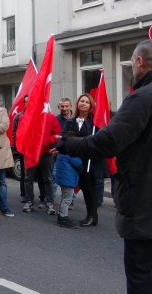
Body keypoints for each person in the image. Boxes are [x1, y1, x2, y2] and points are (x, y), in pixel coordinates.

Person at [55, 39, 152, 293]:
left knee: (142, 275)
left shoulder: (144, 96)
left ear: (139, 61)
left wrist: (66, 143)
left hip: (148, 202)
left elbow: (107, 142)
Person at [58, 93, 109, 227]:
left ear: (91, 105)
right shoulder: (71, 121)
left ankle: (92, 216)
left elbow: (99, 140)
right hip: (74, 160)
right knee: (72, 187)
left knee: (89, 189)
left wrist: (76, 142)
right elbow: (62, 137)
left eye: (87, 102)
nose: (83, 104)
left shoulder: (94, 122)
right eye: (82, 101)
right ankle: (64, 214)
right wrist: (59, 147)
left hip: (89, 161)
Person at [21, 105, 61, 215]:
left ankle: (49, 202)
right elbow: (21, 132)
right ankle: (29, 201)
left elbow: (57, 132)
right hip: (31, 152)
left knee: (48, 178)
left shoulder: (51, 118)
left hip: (46, 153)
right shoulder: (27, 117)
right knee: (28, 178)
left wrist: (48, 141)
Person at [52, 131, 82, 229]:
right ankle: (63, 217)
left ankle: (61, 215)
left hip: (63, 178)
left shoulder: (61, 152)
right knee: (67, 199)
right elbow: (78, 164)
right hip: (68, 179)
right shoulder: (71, 153)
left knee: (63, 197)